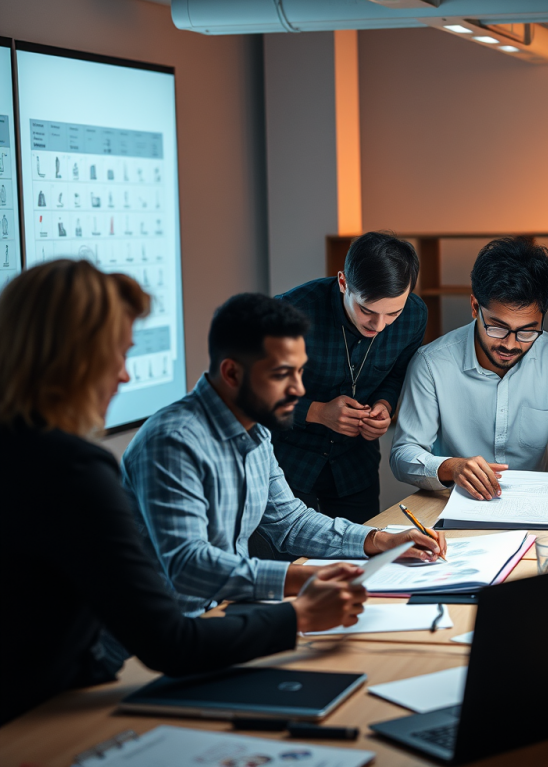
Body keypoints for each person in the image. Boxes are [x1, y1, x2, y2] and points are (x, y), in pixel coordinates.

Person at [0, 260, 367, 726]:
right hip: (43, 711)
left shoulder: (29, 455)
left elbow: (288, 518)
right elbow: (168, 640)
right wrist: (299, 615)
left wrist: (371, 542)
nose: (124, 376)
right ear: (72, 360)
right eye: (117, 354)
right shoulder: (78, 469)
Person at [122, 292, 444, 618]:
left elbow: (290, 523)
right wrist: (305, 577)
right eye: (281, 375)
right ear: (232, 373)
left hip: (222, 615)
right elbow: (189, 566)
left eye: (299, 372)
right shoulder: (173, 443)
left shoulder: (256, 429)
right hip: (158, 639)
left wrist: (380, 541)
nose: (299, 390)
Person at [390, 237, 548, 504]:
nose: (510, 344)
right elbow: (404, 452)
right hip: (457, 504)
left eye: (527, 331)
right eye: (497, 327)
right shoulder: (431, 363)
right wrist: (452, 467)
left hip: (534, 506)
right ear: (475, 307)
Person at [272, 231, 427, 524]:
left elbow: (395, 376)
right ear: (343, 283)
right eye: (367, 310)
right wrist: (318, 412)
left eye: (393, 313)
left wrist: (384, 407)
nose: (379, 325)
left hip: (355, 465)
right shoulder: (288, 313)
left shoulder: (415, 315)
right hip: (288, 463)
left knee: (361, 558)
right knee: (296, 564)